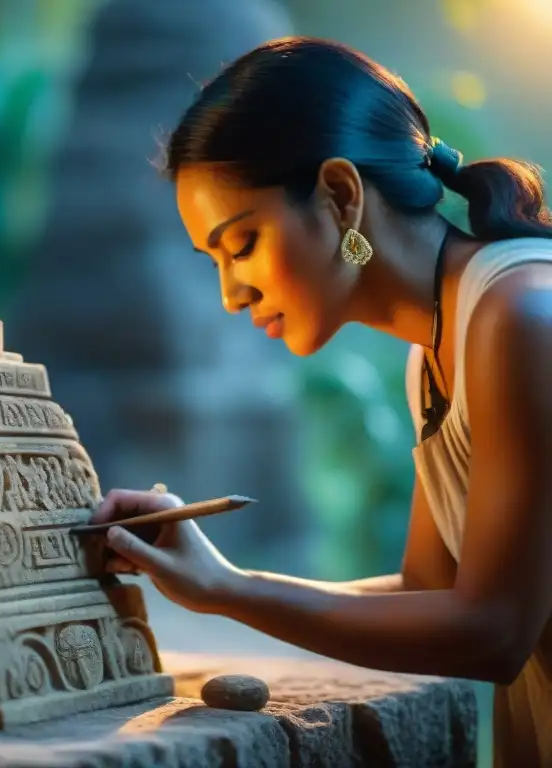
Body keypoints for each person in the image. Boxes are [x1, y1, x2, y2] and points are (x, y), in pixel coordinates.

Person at [93, 38, 552, 766]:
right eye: (214, 261)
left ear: (340, 196)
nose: (230, 293)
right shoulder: (437, 350)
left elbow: (493, 631)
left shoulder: (523, 318)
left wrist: (234, 593)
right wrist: (224, 580)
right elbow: (428, 592)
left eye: (241, 243)